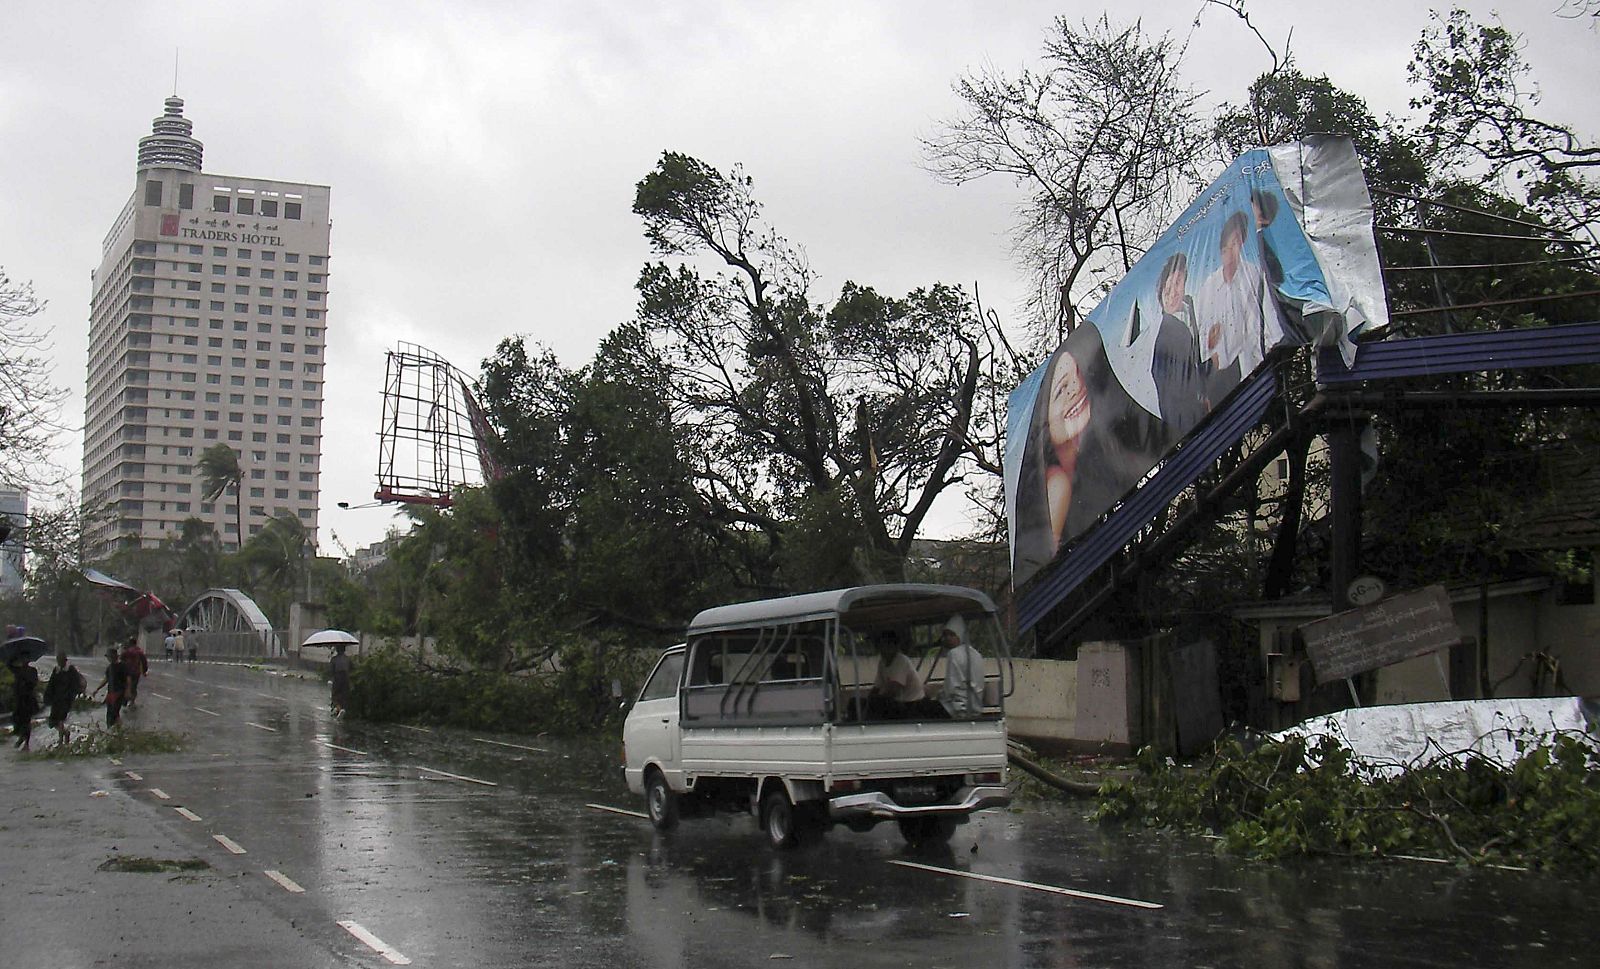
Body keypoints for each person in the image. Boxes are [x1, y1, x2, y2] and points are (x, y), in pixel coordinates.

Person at [1012, 324, 1166, 582]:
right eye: (1061, 389)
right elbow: (1048, 568)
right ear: (1042, 417)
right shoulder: (1056, 482)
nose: (1076, 387)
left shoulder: (1089, 463)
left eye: (1078, 373)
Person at [1193, 210, 1285, 400]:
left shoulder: (1254, 276)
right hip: (1218, 384)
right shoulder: (1208, 288)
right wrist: (1208, 347)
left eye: (1235, 243)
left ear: (1242, 243)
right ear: (1220, 249)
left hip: (1255, 373)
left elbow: (1270, 324)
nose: (1230, 250)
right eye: (1227, 246)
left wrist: (1268, 361)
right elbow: (1199, 337)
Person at [1149, 251, 1210, 439]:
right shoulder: (1165, 334)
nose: (1172, 293)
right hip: (1188, 422)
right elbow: (1169, 391)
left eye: (1178, 283)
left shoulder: (1192, 310)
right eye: (1167, 288)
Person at [865, 630, 925, 720]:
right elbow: (877, 686)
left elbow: (894, 689)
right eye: (881, 645)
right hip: (898, 702)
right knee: (859, 703)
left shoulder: (901, 660)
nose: (882, 648)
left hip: (911, 703)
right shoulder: (882, 662)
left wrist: (876, 699)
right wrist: (868, 700)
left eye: (887, 644)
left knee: (879, 704)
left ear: (894, 646)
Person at [936, 615, 984, 719]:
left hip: (957, 709)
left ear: (960, 635)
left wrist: (939, 693)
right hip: (975, 707)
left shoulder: (954, 654)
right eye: (946, 635)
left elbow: (952, 687)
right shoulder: (976, 654)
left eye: (952, 635)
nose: (948, 638)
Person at [43, 653, 86, 746]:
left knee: (61, 719)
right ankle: (65, 733)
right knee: (53, 721)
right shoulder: (56, 670)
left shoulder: (71, 670)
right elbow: (51, 684)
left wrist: (73, 696)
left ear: (65, 661)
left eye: (61, 661)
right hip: (56, 699)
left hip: (66, 700)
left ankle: (61, 740)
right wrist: (47, 697)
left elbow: (76, 684)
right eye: (58, 661)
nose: (60, 663)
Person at [8, 654, 41, 751]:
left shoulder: (32, 671)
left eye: (25, 658)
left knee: (26, 721)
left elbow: (34, 683)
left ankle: (26, 743)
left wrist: (26, 682)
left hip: (28, 700)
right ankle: (21, 736)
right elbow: (9, 665)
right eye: (22, 659)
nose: (24, 661)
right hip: (19, 699)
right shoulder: (18, 670)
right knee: (17, 719)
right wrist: (14, 657)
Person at [91, 647, 129, 728]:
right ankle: (114, 729)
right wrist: (97, 689)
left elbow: (128, 679)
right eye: (108, 657)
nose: (108, 658)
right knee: (110, 714)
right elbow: (106, 679)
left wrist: (127, 691)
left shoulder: (122, 666)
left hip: (119, 693)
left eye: (109, 656)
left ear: (114, 656)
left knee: (114, 712)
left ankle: (120, 729)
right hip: (111, 693)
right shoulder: (110, 667)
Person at [122, 636, 148, 707]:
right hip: (136, 672)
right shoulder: (139, 651)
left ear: (130, 643)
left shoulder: (126, 651)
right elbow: (144, 662)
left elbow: (121, 660)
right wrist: (144, 671)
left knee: (126, 685)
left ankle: (126, 700)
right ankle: (132, 701)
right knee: (134, 686)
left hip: (127, 671)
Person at [329, 642, 352, 717]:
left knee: (335, 696)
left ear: (337, 650)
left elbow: (331, 671)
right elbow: (352, 669)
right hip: (346, 678)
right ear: (344, 650)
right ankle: (342, 709)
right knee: (344, 695)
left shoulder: (334, 659)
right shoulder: (348, 659)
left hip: (337, 678)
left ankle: (338, 709)